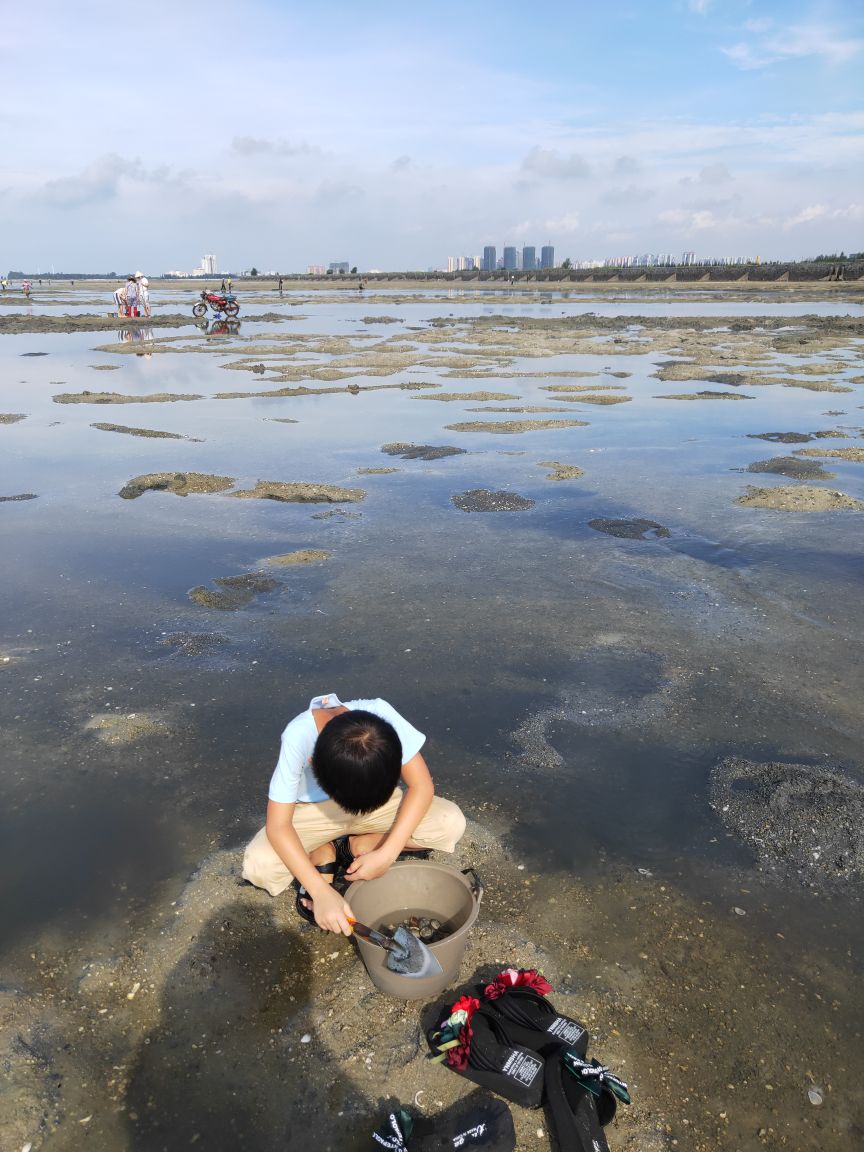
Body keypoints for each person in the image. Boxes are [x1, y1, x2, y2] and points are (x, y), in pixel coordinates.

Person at [242, 692, 466, 934]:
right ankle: (321, 851)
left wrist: (387, 854)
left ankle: (354, 847)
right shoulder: (298, 736)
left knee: (449, 823)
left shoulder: (382, 717)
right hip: (315, 811)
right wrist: (320, 890)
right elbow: (279, 825)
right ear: (314, 764)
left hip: (377, 803)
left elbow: (421, 786)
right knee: (260, 865)